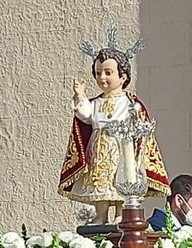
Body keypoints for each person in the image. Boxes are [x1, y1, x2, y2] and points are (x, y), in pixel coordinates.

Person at [59, 43, 169, 225]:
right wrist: (80, 96)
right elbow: (85, 116)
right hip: (99, 149)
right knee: (100, 183)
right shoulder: (95, 102)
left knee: (122, 180)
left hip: (121, 148)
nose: (102, 77)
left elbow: (140, 126)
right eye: (98, 73)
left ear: (123, 76)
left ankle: (121, 213)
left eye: (108, 73)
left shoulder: (129, 102)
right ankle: (101, 214)